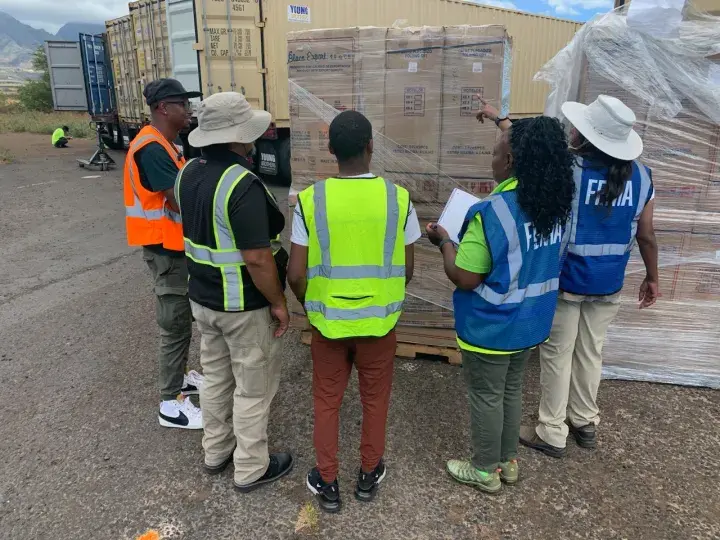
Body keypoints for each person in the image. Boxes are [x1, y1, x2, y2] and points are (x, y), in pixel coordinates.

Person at [426, 115, 575, 493]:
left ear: (508, 161)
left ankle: (483, 470)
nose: (491, 160)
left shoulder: (492, 212)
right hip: (529, 323)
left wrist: (444, 242)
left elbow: (466, 277)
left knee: (486, 397)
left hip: (491, 326)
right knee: (510, 392)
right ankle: (508, 462)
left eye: (495, 153)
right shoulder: (553, 206)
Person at [287, 110, 421, 513]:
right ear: (370, 147)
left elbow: (295, 273)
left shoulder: (311, 201)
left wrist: (312, 309)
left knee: (327, 402)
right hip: (379, 326)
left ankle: (327, 482)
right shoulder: (398, 198)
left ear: (331, 151)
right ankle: (368, 474)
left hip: (327, 326)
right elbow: (409, 268)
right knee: (374, 400)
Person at [515, 95, 659, 457]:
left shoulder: (570, 169)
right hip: (609, 282)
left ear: (586, 135)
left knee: (558, 354)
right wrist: (652, 277)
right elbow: (646, 234)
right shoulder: (642, 176)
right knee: (591, 352)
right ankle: (584, 421)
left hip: (567, 280)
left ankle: (550, 430)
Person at [175, 92, 293, 492]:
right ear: (240, 138)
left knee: (216, 379)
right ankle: (250, 468)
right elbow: (258, 258)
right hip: (242, 307)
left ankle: (215, 451)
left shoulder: (187, 174)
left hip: (203, 302)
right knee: (253, 389)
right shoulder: (241, 183)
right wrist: (278, 303)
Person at [123, 78, 205, 430]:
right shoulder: (152, 148)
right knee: (174, 324)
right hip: (164, 248)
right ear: (162, 109)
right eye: (182, 104)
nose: (187, 110)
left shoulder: (167, 144)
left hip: (173, 247)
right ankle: (170, 402)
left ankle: (181, 379)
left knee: (182, 320)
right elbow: (177, 198)